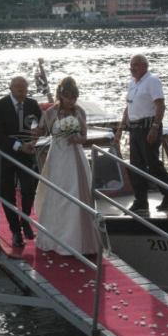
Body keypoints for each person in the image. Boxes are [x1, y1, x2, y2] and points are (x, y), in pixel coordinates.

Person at [34, 77, 99, 255]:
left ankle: (79, 240)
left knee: (76, 193)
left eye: (74, 97)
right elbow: (42, 130)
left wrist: (76, 138)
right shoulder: (51, 113)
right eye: (68, 97)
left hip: (74, 156)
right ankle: (56, 238)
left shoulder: (80, 112)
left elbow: (84, 137)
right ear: (61, 96)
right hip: (57, 156)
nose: (72, 101)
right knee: (57, 194)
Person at [114, 54, 168, 213]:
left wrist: (155, 127)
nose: (131, 68)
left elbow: (160, 105)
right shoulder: (132, 83)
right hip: (135, 129)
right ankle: (141, 200)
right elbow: (128, 108)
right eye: (130, 65)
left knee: (153, 163)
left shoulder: (152, 81)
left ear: (144, 66)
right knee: (136, 166)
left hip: (148, 126)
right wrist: (120, 130)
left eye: (135, 65)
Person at [0, 76, 42, 247]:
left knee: (29, 188)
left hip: (27, 154)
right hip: (6, 154)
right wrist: (19, 146)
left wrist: (34, 140)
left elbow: (39, 126)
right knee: (7, 194)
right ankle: (15, 231)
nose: (22, 91)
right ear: (11, 88)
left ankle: (25, 220)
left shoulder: (32, 105)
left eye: (24, 88)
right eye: (18, 88)